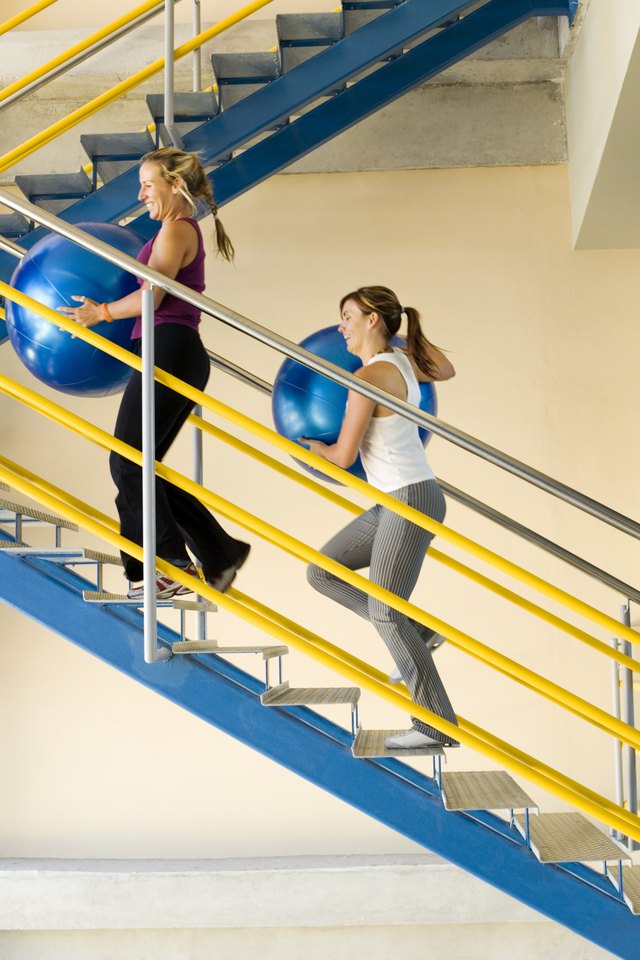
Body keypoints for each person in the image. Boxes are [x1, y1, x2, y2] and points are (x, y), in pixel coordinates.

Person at [59, 147, 250, 600]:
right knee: (140, 465)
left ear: (175, 186)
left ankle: (169, 565)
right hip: (170, 350)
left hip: (170, 348)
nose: (141, 194)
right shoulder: (174, 230)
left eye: (148, 184)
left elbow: (153, 295)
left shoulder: (176, 230)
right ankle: (219, 554)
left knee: (126, 460)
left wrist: (101, 312)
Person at [300, 286, 458, 750]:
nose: (340, 327)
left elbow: (343, 454)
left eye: (348, 316)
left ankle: (434, 727)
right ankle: (421, 632)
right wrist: (403, 333)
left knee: (387, 610)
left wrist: (311, 449)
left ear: (373, 320)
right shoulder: (402, 362)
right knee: (322, 571)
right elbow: (446, 369)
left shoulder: (368, 376)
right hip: (400, 498)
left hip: (409, 498)